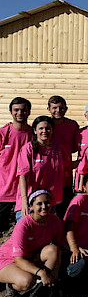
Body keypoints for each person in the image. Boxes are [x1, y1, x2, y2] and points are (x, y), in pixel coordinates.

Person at [0, 190, 65, 297]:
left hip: (30, 256)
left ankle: (48, 287)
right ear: (31, 207)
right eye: (39, 204)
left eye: (47, 202)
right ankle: (11, 286)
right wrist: (41, 272)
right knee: (27, 281)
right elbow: (18, 259)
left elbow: (60, 245)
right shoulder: (24, 225)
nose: (44, 206)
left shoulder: (55, 221)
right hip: (9, 258)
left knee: (53, 250)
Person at [17, 116, 69, 220]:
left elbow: (69, 166)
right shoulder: (29, 149)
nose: (44, 131)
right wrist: (24, 201)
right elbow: (22, 175)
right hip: (31, 202)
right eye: (41, 128)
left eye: (47, 128)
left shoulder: (58, 149)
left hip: (51, 203)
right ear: (35, 131)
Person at [64, 172, 88, 294]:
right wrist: (75, 248)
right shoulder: (79, 200)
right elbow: (68, 228)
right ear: (84, 187)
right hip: (71, 247)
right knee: (78, 268)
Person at [0, 97, 32, 231]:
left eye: (23, 110)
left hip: (26, 194)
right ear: (11, 112)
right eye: (16, 110)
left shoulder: (34, 134)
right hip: (3, 193)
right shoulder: (3, 133)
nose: (20, 113)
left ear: (28, 112)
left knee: (22, 233)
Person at [47, 96, 80, 215]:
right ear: (48, 109)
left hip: (65, 178)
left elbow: (78, 147)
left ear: (66, 109)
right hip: (47, 178)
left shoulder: (72, 126)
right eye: (54, 108)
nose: (58, 110)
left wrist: (77, 163)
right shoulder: (45, 125)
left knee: (64, 213)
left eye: (61, 108)